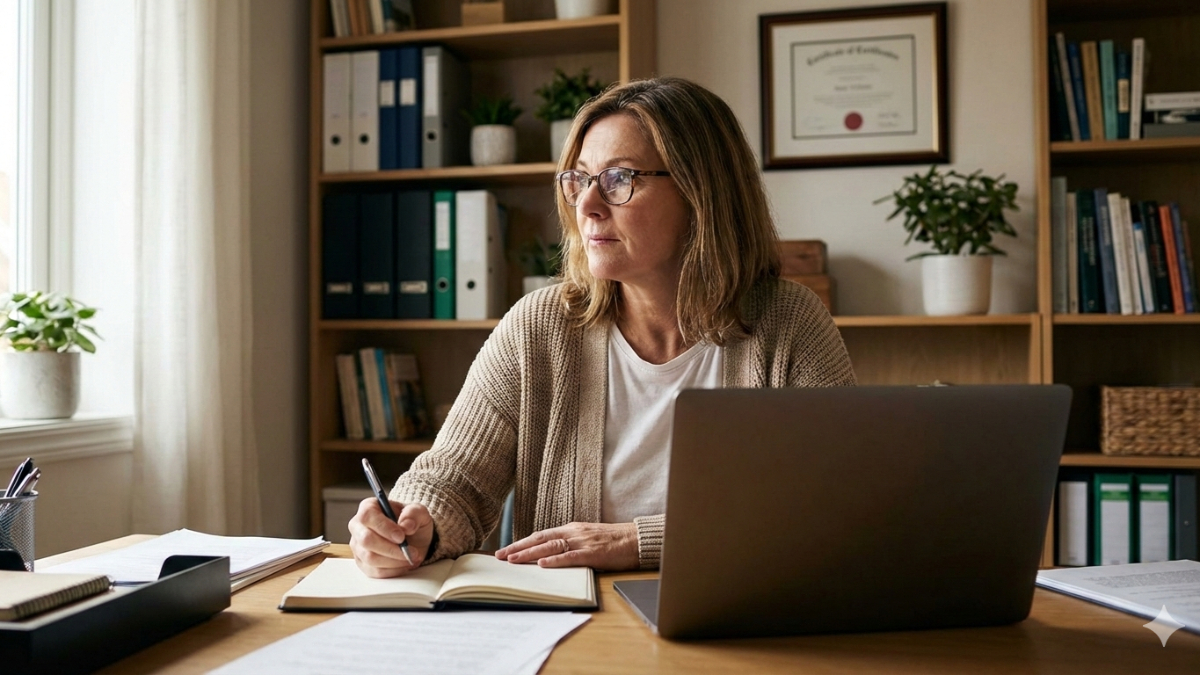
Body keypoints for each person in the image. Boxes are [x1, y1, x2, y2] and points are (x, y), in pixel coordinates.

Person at [349, 77, 856, 578]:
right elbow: (455, 477)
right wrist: (415, 522)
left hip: (737, 622)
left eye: (619, 180)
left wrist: (640, 541)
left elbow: (837, 502)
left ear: (702, 193)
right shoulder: (538, 328)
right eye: (579, 179)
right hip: (572, 632)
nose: (587, 205)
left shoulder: (789, 324)